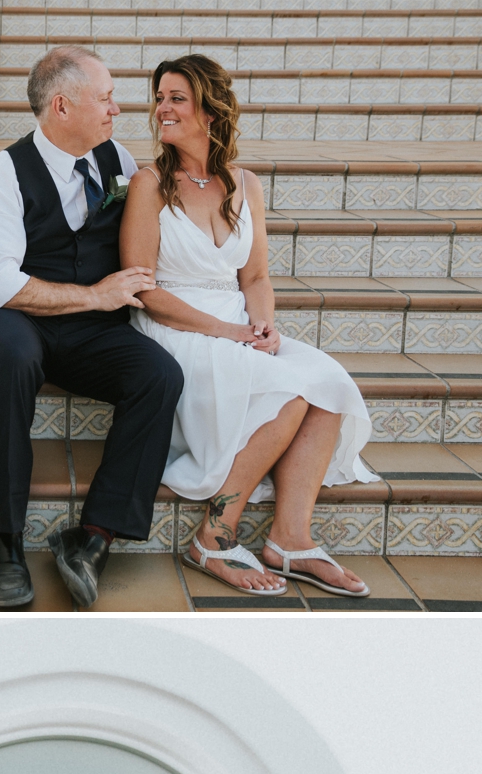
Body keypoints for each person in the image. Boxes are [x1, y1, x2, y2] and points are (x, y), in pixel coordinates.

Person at [124, 55, 374, 600]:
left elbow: (255, 274)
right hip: (176, 327)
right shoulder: (149, 185)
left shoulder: (246, 185)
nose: (161, 108)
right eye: (159, 98)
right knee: (288, 395)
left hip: (236, 321)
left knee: (327, 384)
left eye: (176, 98)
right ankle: (213, 537)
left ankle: (289, 538)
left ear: (210, 112)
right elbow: (144, 289)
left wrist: (262, 322)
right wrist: (224, 331)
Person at [0, 47, 183, 612]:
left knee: (159, 374)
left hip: (90, 331)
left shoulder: (120, 162)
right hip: (16, 319)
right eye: (106, 96)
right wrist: (93, 294)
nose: (117, 107)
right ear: (63, 105)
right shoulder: (3, 175)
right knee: (11, 359)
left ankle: (93, 539)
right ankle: (4, 542)